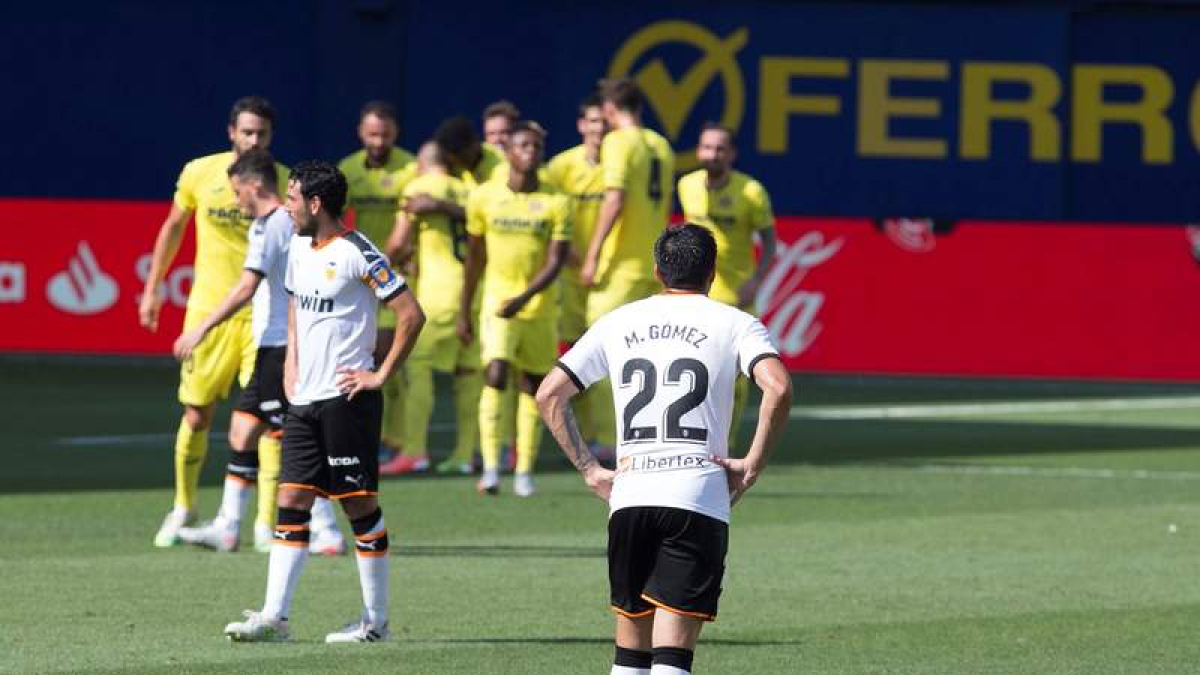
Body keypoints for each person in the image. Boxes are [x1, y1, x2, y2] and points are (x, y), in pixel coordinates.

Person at [536, 223, 793, 675]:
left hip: (631, 494)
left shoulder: (619, 321)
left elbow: (549, 395)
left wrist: (590, 470)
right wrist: (752, 464)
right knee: (673, 657)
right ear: (712, 273)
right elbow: (779, 388)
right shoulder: (736, 323)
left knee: (630, 654)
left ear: (658, 271)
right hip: (697, 493)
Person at [223, 161, 425, 643]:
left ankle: (375, 624)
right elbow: (294, 304)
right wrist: (292, 364)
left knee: (358, 505)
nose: (287, 208)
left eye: (293, 199)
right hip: (303, 400)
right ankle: (276, 617)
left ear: (316, 203)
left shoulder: (359, 252)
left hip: (347, 400)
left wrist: (379, 374)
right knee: (291, 498)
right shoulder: (295, 246)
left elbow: (411, 314)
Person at [171, 149, 345, 556]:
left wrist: (201, 328)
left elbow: (246, 288)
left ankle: (325, 529)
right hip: (283, 340)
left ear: (253, 186)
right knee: (244, 429)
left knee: (292, 439)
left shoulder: (269, 228)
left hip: (278, 345)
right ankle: (228, 527)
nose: (236, 202)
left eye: (237, 192)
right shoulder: (293, 222)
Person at [138, 96, 289, 548]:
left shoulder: (280, 182)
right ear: (231, 133)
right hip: (208, 311)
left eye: (262, 133)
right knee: (197, 414)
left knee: (266, 418)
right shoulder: (200, 173)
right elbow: (173, 227)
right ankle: (184, 506)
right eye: (247, 132)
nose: (254, 140)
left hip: (261, 317)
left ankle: (265, 523)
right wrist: (153, 287)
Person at [459, 121, 571, 497]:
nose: (530, 152)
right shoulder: (484, 196)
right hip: (495, 302)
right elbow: (474, 257)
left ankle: (523, 471)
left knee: (534, 386)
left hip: (538, 308)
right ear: (507, 151)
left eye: (537, 147)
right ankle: (491, 468)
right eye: (523, 145)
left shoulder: (558, 200)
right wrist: (464, 309)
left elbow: (556, 262)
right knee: (494, 373)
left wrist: (523, 299)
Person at [579, 78, 676, 462]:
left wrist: (592, 255)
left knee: (605, 352)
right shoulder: (662, 145)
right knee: (652, 356)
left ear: (609, 109)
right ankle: (652, 433)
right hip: (650, 265)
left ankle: (610, 439)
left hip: (618, 269)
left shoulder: (618, 142)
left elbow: (615, 199)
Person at [676, 122, 777, 447]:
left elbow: (770, 244)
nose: (712, 154)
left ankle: (725, 443)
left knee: (737, 377)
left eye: (719, 148)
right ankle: (690, 436)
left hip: (736, 296)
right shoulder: (686, 185)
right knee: (692, 368)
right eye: (706, 147)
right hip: (696, 294)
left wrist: (756, 281)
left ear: (731, 153)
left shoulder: (751, 191)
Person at [385, 142, 480, 475]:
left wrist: (378, 269)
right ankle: (466, 454)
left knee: (417, 370)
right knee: (469, 375)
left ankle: (415, 450)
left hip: (437, 294)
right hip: (473, 292)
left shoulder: (418, 188)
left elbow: (397, 243)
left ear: (423, 164)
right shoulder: (469, 189)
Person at [338, 101, 418, 468]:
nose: (378, 141)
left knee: (388, 360)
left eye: (384, 134)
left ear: (395, 134)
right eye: (372, 134)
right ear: (360, 133)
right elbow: (336, 222)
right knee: (362, 358)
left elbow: (409, 229)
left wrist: (381, 266)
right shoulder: (349, 170)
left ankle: (394, 439)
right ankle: (372, 435)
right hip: (361, 277)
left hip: (396, 275)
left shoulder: (410, 168)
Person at [547, 94, 607, 447]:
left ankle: (609, 437)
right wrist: (573, 257)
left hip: (606, 277)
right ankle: (586, 435)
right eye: (593, 122)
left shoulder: (620, 165)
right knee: (576, 359)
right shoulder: (561, 167)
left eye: (605, 122)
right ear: (581, 126)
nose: (600, 129)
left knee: (608, 360)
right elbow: (554, 218)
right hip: (571, 277)